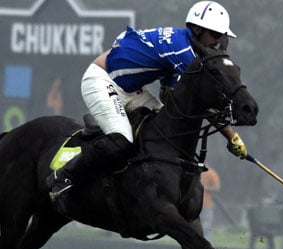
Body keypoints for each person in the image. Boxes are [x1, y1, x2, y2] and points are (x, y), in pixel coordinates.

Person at [47, 1, 248, 200]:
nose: (217, 42)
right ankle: (63, 176)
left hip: (131, 90)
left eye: (222, 37)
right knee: (122, 140)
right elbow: (198, 101)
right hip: (102, 79)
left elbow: (168, 93)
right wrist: (232, 136)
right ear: (196, 29)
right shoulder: (183, 52)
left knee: (165, 130)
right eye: (214, 35)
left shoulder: (185, 47)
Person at [200, 167, 221, 241]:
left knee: (206, 228)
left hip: (206, 205)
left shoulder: (210, 173)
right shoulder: (194, 171)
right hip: (193, 205)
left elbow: (216, 188)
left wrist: (203, 188)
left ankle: (206, 248)